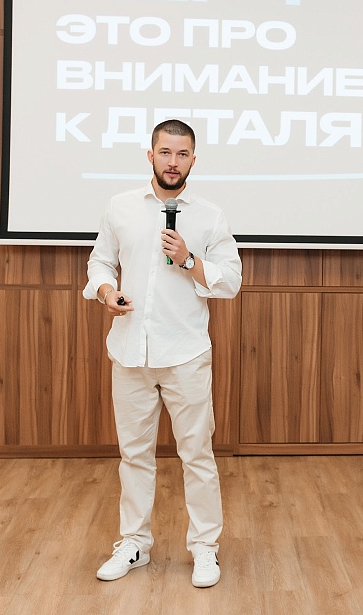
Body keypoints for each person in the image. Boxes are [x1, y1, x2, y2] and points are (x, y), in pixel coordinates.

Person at [84, 119, 242, 588]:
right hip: (130, 351)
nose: (173, 162)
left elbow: (231, 281)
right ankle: (134, 543)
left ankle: (205, 549)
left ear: (193, 160)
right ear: (150, 155)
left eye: (182, 154)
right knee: (134, 455)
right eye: (166, 152)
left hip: (185, 354)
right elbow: (99, 262)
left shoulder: (210, 216)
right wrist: (107, 292)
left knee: (197, 455)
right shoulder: (120, 207)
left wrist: (189, 260)